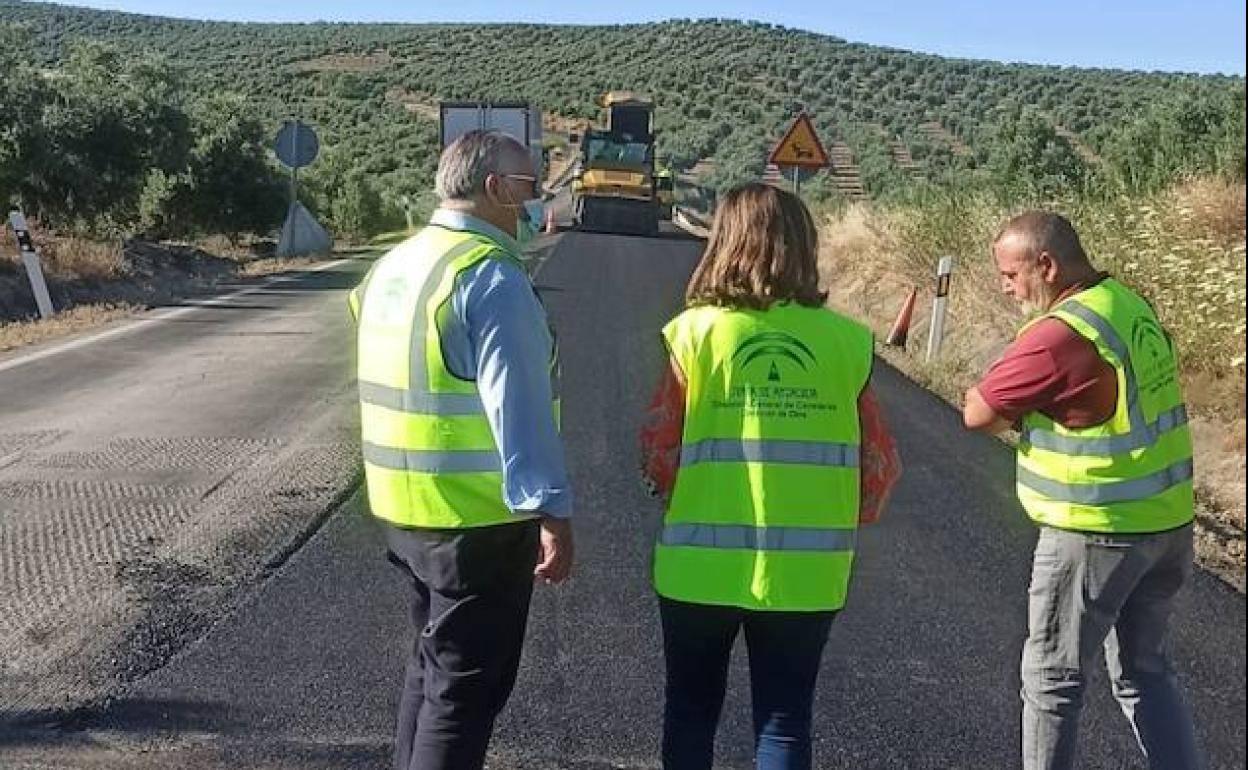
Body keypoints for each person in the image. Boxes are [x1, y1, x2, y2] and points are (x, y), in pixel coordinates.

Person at [639, 182, 901, 770]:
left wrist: (676, 490)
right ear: (804, 246)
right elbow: (879, 466)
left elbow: (660, 446)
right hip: (806, 574)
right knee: (784, 718)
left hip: (698, 565)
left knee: (690, 711)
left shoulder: (695, 333)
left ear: (724, 242)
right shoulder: (846, 343)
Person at [348, 130, 574, 770]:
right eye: (532, 188)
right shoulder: (491, 277)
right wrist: (552, 512)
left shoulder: (393, 265)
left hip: (404, 507)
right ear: (497, 189)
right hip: (477, 521)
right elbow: (519, 408)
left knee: (430, 673)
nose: (537, 201)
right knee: (464, 695)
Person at [962, 211, 1202, 770]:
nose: (1004, 286)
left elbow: (978, 412)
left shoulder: (1059, 334)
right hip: (1166, 523)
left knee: (1051, 680)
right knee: (1145, 671)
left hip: (1096, 528)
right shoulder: (1125, 304)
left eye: (1009, 274)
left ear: (1045, 264)